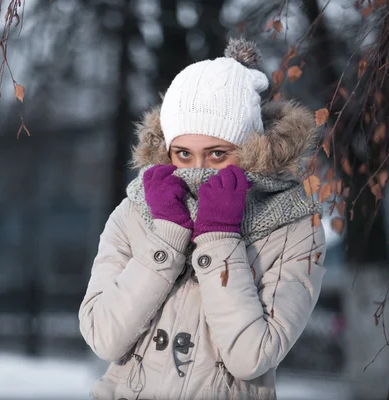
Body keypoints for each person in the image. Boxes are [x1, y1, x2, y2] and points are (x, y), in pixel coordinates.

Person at [78, 38, 326, 400]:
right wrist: (167, 236)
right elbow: (104, 337)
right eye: (183, 153)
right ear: (167, 150)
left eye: (217, 154)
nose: (197, 170)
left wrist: (220, 236)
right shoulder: (136, 210)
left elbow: (251, 357)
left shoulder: (294, 227)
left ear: (250, 148)